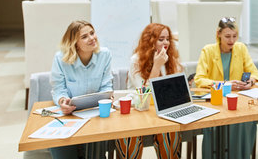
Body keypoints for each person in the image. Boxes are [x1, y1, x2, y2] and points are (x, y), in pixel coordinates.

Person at [195, 17, 258, 159]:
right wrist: (225, 84)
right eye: (227, 36)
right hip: (216, 100)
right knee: (219, 123)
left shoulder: (241, 48)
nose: (231, 40)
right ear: (218, 34)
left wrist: (250, 81)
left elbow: (254, 72)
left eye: (234, 36)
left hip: (237, 99)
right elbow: (199, 79)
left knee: (246, 121)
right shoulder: (208, 50)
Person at [116, 23, 183, 159]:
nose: (166, 43)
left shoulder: (170, 59)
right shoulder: (136, 60)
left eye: (167, 38)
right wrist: (156, 67)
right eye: (161, 39)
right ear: (151, 41)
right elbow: (143, 95)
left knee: (169, 132)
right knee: (129, 136)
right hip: (138, 110)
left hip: (160, 111)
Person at [50, 20, 113, 159]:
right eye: (84, 37)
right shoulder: (60, 58)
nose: (92, 38)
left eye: (92, 33)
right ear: (74, 43)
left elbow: (106, 86)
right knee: (62, 149)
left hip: (94, 114)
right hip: (69, 115)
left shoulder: (105, 55)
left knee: (95, 150)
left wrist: (108, 96)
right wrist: (62, 101)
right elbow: (58, 89)